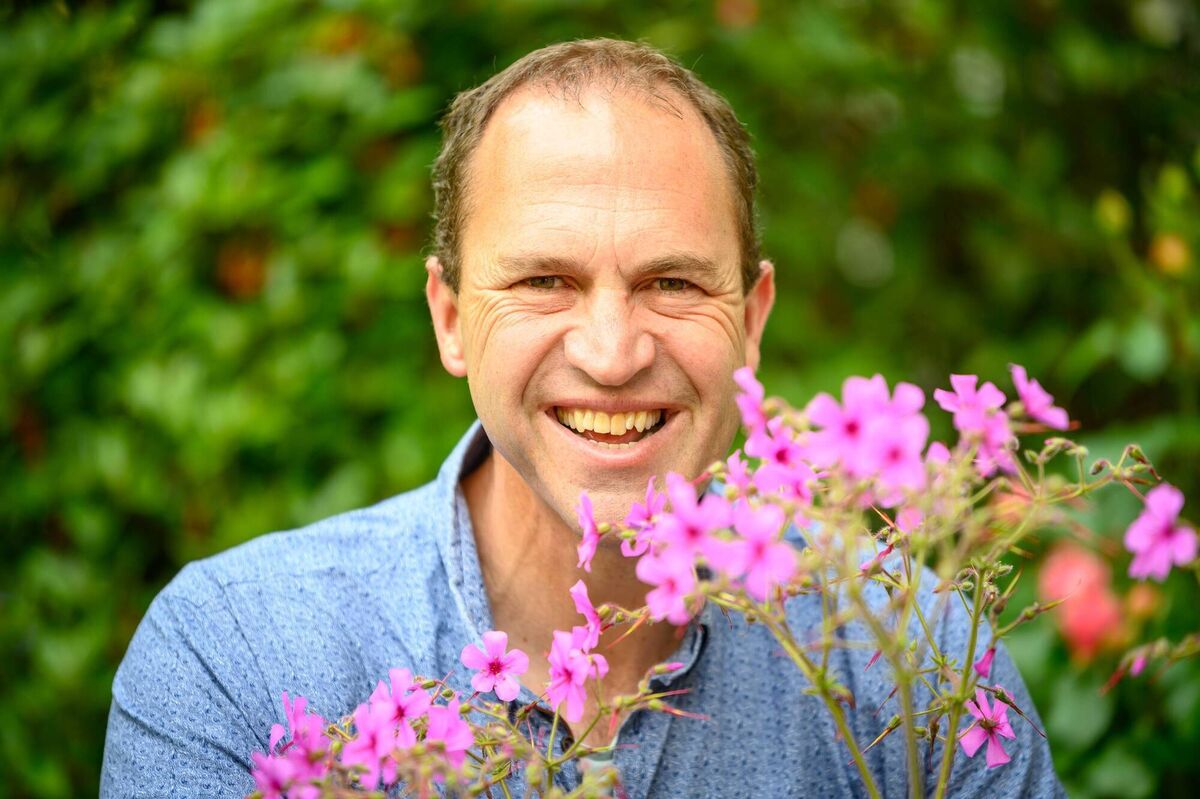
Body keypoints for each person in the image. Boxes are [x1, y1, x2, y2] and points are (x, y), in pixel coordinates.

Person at [102, 38, 1064, 797]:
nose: (612, 354)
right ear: (451, 319)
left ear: (752, 320)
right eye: (544, 280)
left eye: (673, 282)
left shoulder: (920, 664)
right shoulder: (236, 654)